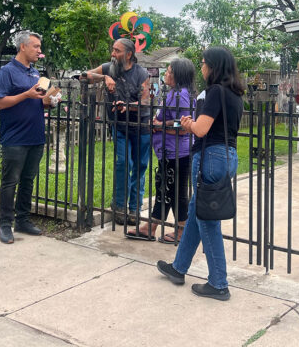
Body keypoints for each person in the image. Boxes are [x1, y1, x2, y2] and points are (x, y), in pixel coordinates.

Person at [156, 46, 245, 301]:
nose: (202, 67)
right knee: (197, 215)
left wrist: (188, 124)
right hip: (227, 156)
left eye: (204, 63)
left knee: (208, 221)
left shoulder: (216, 91)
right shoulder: (235, 94)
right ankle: (178, 268)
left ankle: (219, 283)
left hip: (210, 157)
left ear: (213, 67)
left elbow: (202, 129)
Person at [0, 31, 59, 244]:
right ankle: (5, 224)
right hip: (15, 137)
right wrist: (26, 95)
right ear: (23, 47)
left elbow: (39, 101)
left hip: (36, 136)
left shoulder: (35, 73)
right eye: (36, 46)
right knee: (10, 181)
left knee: (28, 180)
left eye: (40, 47)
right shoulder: (7, 72)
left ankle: (22, 220)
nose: (39, 51)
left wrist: (50, 100)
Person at [127, 58, 195, 242]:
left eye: (170, 71)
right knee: (165, 190)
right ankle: (151, 227)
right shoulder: (175, 93)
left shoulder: (182, 94)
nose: (166, 73)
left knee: (176, 193)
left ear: (178, 75)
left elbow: (183, 124)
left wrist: (159, 124)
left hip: (178, 152)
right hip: (168, 151)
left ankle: (179, 231)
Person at [85, 38, 151, 225]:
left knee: (139, 166)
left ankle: (134, 209)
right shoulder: (108, 68)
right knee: (123, 163)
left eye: (117, 51)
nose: (112, 54)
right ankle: (119, 206)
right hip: (119, 126)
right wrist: (103, 77)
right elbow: (84, 76)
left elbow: (146, 102)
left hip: (141, 126)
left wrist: (128, 106)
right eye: (112, 50)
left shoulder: (142, 73)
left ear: (129, 54)